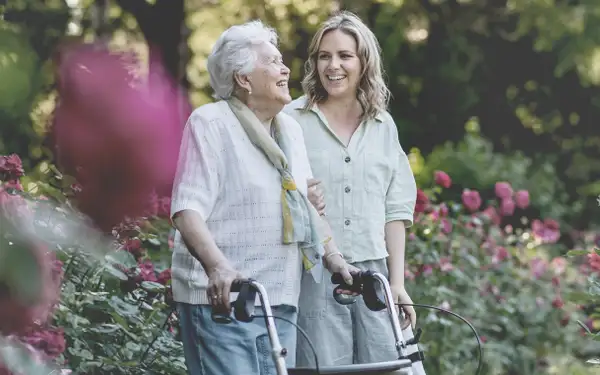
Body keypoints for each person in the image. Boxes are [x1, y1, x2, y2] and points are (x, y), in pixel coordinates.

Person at [169, 20, 356, 375]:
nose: (285, 68)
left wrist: (335, 259)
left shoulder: (290, 130)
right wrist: (217, 266)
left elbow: (304, 204)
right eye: (272, 62)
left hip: (279, 297)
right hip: (224, 302)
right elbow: (186, 208)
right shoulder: (211, 123)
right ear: (243, 78)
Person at [283, 11, 418, 367]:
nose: (333, 66)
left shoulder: (383, 125)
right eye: (324, 56)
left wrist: (398, 283)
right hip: (315, 275)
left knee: (387, 366)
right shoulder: (290, 121)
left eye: (345, 56)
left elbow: (396, 209)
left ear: (363, 62)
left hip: (374, 276)